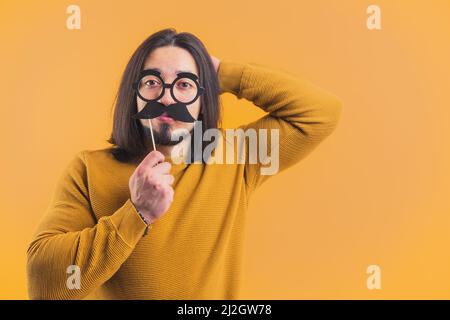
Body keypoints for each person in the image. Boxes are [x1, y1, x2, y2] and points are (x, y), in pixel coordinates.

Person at [26, 28, 342, 299]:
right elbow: (44, 284)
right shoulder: (88, 169)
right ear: (132, 94)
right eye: (152, 82)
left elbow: (320, 113)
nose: (167, 99)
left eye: (185, 85)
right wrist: (137, 214)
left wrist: (222, 73)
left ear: (204, 98)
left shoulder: (232, 155)